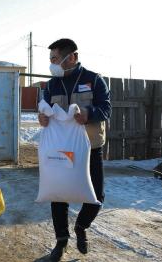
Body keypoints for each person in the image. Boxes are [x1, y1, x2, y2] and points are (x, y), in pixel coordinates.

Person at [38, 39, 111, 261]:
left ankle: (81, 226)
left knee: (96, 196)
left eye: (55, 59)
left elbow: (106, 108)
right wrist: (42, 117)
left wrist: (89, 113)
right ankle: (61, 242)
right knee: (58, 195)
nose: (52, 64)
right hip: (60, 150)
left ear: (72, 57)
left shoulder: (93, 80)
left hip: (90, 148)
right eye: (50, 59)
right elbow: (43, 109)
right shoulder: (51, 85)